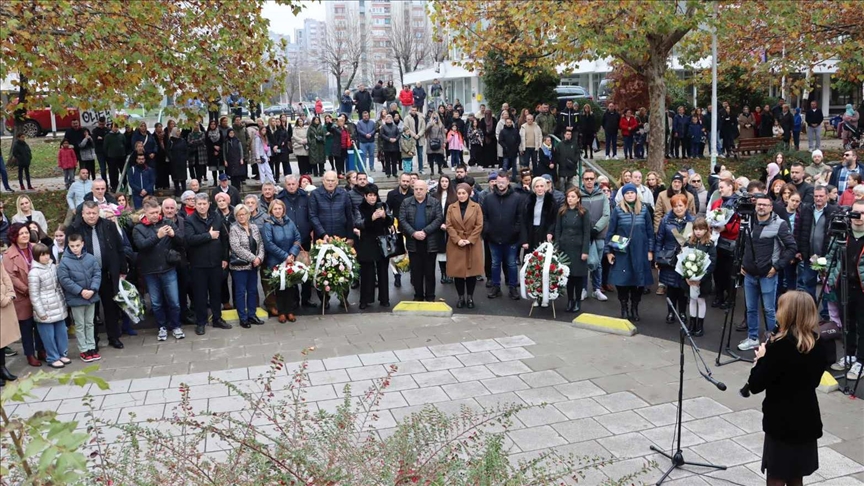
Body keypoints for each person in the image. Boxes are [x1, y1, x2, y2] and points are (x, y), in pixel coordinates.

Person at [746, 291, 825, 486]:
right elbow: (813, 381)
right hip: (806, 419)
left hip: (781, 422)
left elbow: (755, 385)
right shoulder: (818, 344)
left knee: (777, 476)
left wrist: (761, 359)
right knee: (796, 475)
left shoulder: (779, 348)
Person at [738, 193, 797, 351]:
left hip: (768, 274)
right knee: (751, 308)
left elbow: (792, 247)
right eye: (759, 204)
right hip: (749, 273)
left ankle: (773, 340)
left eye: (765, 205)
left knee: (769, 310)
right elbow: (742, 243)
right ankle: (752, 338)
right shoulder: (748, 221)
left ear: (771, 207)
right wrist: (742, 263)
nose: (761, 207)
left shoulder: (780, 224)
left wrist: (777, 267)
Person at [69, 201, 127, 350]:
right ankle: (92, 340)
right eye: (88, 213)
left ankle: (114, 337)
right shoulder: (75, 228)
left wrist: (123, 270)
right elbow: (70, 252)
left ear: (98, 212)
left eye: (94, 213)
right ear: (83, 214)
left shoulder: (109, 225)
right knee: (91, 311)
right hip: (86, 277)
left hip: (107, 273)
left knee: (111, 307)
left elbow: (119, 248)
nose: (91, 216)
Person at [132, 200, 185, 341]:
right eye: (152, 213)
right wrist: (157, 236)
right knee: (156, 303)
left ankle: (176, 326)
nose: (155, 215)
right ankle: (161, 327)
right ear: (145, 213)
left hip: (168, 268)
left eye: (157, 212)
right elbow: (141, 246)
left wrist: (174, 235)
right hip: (150, 271)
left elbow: (182, 242)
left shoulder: (167, 223)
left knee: (174, 301)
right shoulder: (138, 228)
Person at [824, 200, 864, 378]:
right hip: (844, 286)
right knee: (847, 323)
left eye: (862, 213)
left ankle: (861, 361)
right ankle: (849, 355)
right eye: (855, 212)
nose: (858, 217)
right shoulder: (842, 233)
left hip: (861, 289)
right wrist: (831, 278)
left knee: (863, 326)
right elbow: (830, 256)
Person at [605, 183, 654, 322]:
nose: (630, 195)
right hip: (622, 252)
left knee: (639, 281)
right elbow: (610, 232)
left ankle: (634, 307)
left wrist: (650, 250)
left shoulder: (644, 209)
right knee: (622, 281)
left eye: (632, 192)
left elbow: (650, 232)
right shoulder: (618, 210)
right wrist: (609, 252)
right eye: (627, 193)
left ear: (636, 194)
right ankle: (624, 307)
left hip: (640, 251)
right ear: (623, 195)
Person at [185, 193, 231, 335]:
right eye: (199, 204)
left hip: (216, 262)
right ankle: (201, 322)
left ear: (209, 204)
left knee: (216, 292)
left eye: (204, 204)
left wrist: (225, 258)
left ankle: (217, 318)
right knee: (200, 295)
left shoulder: (216, 217)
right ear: (195, 205)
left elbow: (224, 239)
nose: (202, 206)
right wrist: (208, 236)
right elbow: (190, 239)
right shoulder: (190, 220)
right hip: (198, 264)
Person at [3, 223, 44, 366]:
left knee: (40, 324)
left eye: (26, 232)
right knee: (26, 327)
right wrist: (27, 289)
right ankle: (30, 354)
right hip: (23, 296)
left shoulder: (35, 247)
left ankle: (41, 350)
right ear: (14, 236)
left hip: (39, 292)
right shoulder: (8, 255)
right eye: (21, 233)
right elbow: (11, 276)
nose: (25, 235)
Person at [56, 232, 101, 362]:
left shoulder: (91, 258)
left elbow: (97, 274)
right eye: (72, 246)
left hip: (91, 295)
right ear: (68, 246)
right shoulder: (65, 261)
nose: (75, 248)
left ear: (82, 244)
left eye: (77, 245)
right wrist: (80, 291)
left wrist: (92, 289)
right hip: (76, 298)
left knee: (90, 323)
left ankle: (92, 346)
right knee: (80, 325)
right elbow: (65, 280)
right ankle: (84, 349)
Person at [482, 170, 526, 300]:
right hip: (493, 237)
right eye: (498, 182)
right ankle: (496, 287)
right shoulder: (488, 198)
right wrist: (488, 230)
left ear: (508, 182)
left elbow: (520, 217)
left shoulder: (517, 198)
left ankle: (513, 287)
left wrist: (515, 231)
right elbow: (484, 216)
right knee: (495, 263)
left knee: (511, 264)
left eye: (503, 182)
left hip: (511, 238)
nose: (500, 184)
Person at [399, 180, 444, 302]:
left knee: (429, 271)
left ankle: (430, 296)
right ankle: (418, 295)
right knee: (416, 271)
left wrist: (425, 232)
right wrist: (413, 233)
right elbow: (402, 219)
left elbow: (439, 218)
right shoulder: (406, 202)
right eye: (416, 189)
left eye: (421, 189)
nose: (418, 191)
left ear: (426, 190)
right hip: (413, 242)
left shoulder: (434, 202)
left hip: (430, 241)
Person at [27, 243, 70, 369]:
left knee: (62, 332)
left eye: (47, 254)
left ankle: (62, 354)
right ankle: (52, 357)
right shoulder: (34, 273)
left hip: (58, 304)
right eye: (42, 255)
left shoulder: (52, 266)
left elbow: (58, 286)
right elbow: (34, 295)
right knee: (48, 336)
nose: (46, 257)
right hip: (44, 308)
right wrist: (40, 312)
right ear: (36, 256)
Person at [655, 194, 695, 324]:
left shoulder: (692, 221)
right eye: (675, 206)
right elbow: (659, 240)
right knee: (671, 287)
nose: (678, 208)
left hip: (686, 258)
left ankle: (682, 312)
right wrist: (657, 257)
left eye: (680, 205)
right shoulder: (665, 220)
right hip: (669, 258)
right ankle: (671, 312)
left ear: (686, 206)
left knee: (683, 288)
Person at [262, 199, 302, 323]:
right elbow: (269, 244)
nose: (278, 211)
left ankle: (290, 311)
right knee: (279, 287)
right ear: (271, 210)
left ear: (283, 210)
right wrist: (285, 256)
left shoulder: (289, 222)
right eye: (275, 209)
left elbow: (297, 238)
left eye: (280, 208)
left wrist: (292, 254)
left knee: (290, 286)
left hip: (290, 259)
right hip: (276, 261)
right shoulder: (268, 225)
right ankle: (281, 312)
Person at [445, 182, 484, 309]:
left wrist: (470, 239)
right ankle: (461, 297)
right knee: (458, 272)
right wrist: (457, 240)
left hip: (472, 244)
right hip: (456, 244)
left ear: (469, 193)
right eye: (459, 193)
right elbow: (449, 225)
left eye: (463, 193)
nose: (461, 195)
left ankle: (470, 297)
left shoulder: (476, 207)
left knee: (471, 272)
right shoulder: (451, 207)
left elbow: (479, 225)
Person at [354, 185, 393, 309]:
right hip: (367, 242)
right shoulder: (360, 207)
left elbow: (391, 220)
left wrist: (385, 216)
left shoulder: (383, 205)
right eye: (370, 195)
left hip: (382, 241)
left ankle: (384, 299)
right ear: (365, 196)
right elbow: (358, 223)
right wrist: (372, 218)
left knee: (383, 271)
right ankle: (365, 300)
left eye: (374, 195)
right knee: (367, 273)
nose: (372, 198)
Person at [228, 204, 265, 329]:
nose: (241, 217)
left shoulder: (254, 227)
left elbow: (260, 244)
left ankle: (252, 315)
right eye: (239, 215)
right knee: (240, 292)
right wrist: (253, 258)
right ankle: (243, 318)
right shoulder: (234, 229)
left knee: (252, 290)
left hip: (254, 266)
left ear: (248, 215)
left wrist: (259, 257)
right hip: (240, 267)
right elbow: (236, 248)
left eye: (243, 214)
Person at [555, 187, 591, 313]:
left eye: (573, 197)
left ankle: (577, 301)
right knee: (568, 275)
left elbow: (587, 232)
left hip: (578, 247)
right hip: (565, 247)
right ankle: (570, 300)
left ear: (578, 199)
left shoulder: (583, 212)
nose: (570, 199)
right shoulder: (562, 211)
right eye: (568, 196)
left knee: (578, 276)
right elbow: (558, 229)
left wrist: (585, 250)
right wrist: (557, 246)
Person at [680, 217, 716, 336]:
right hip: (690, 279)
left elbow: (712, 263)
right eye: (696, 229)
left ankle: (700, 325)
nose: (698, 232)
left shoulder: (710, 244)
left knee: (700, 300)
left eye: (701, 229)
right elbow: (683, 260)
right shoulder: (689, 242)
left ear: (706, 230)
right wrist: (686, 277)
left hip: (703, 280)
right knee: (692, 300)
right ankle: (692, 324)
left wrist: (701, 279)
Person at [524, 176, 557, 251]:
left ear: (545, 187)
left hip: (545, 234)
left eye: (542, 186)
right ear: (533, 188)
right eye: (537, 186)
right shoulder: (528, 201)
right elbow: (524, 221)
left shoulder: (551, 201)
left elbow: (555, 220)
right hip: (531, 234)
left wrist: (550, 232)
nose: (539, 188)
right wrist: (524, 240)